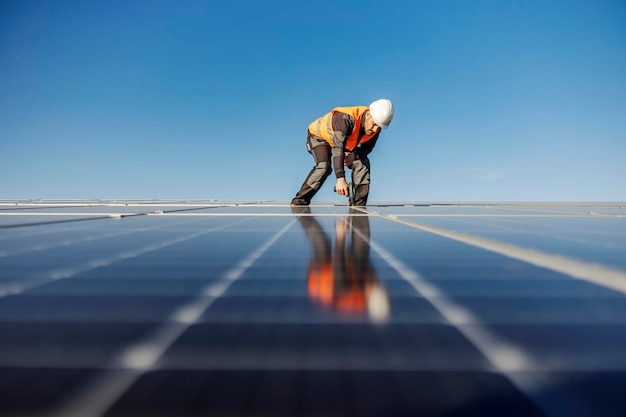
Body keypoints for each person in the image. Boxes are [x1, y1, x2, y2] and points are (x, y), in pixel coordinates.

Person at [290, 99, 394, 206]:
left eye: (379, 127)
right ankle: (299, 201)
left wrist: (353, 156)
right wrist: (340, 179)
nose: (375, 129)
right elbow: (338, 148)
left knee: (362, 162)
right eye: (374, 124)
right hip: (319, 137)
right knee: (324, 166)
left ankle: (358, 205)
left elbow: (366, 149)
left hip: (342, 143)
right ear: (368, 114)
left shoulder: (375, 128)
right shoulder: (346, 119)